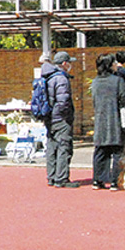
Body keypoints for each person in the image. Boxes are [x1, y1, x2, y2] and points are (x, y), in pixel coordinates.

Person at [91, 53, 125, 190]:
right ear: (109, 65)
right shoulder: (117, 81)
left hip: (100, 118)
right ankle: (115, 181)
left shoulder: (95, 81)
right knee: (118, 151)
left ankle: (98, 180)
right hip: (115, 119)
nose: (116, 65)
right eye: (114, 63)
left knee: (100, 151)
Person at [43, 51, 79, 188]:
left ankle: (51, 176)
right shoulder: (61, 79)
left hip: (49, 117)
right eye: (69, 62)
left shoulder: (47, 77)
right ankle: (61, 178)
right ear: (64, 63)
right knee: (64, 146)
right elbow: (63, 101)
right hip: (60, 118)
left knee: (52, 147)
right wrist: (64, 116)